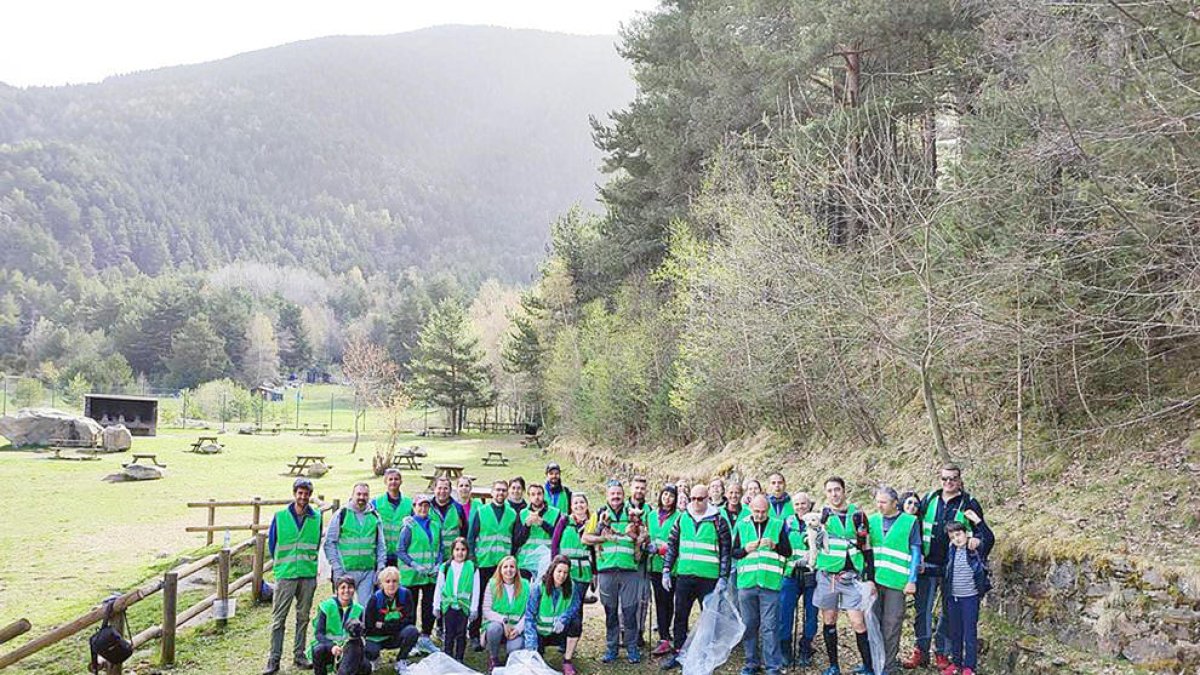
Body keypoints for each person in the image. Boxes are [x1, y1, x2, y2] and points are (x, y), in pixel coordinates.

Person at [904, 464, 986, 671]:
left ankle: (942, 652)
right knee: (923, 610)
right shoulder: (930, 499)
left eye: (953, 479)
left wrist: (975, 546)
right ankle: (920, 650)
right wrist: (916, 554)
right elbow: (913, 525)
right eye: (944, 479)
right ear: (939, 479)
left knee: (949, 612)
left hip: (954, 568)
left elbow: (981, 533)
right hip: (928, 565)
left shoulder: (969, 503)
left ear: (960, 480)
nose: (948, 483)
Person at [660, 484, 732, 670]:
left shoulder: (719, 521)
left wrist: (723, 577)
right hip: (684, 576)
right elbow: (672, 545)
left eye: (700, 498)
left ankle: (705, 654)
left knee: (709, 618)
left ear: (707, 498)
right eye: (693, 498)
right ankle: (679, 654)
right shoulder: (682, 518)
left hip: (709, 578)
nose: (696, 502)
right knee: (680, 616)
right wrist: (667, 569)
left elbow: (726, 550)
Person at [814, 476, 875, 675]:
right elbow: (812, 542)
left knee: (858, 622)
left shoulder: (858, 515)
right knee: (829, 619)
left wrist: (870, 577)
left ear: (844, 491)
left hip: (852, 576)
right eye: (830, 490)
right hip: (828, 576)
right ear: (826, 493)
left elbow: (866, 547)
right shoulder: (822, 516)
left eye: (837, 489)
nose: (834, 494)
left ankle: (868, 666)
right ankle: (834, 666)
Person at [264, 478, 321, 675]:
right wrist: (283, 564)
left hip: (307, 574)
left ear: (310, 496)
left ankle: (299, 655)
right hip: (286, 575)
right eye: (300, 493)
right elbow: (272, 544)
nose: (303, 497)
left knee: (303, 617)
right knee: (279, 619)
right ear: (294, 493)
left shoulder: (317, 518)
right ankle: (274, 658)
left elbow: (316, 544)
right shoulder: (280, 516)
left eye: (306, 493)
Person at [583, 479, 643, 664]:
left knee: (630, 611)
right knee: (610, 612)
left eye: (619, 494)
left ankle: (632, 648)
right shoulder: (599, 514)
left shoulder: (632, 514)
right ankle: (612, 648)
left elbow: (644, 536)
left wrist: (636, 536)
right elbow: (585, 538)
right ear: (607, 496)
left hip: (629, 570)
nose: (616, 497)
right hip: (606, 570)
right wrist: (602, 538)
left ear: (624, 496)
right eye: (612, 494)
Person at [732, 495, 792, 675]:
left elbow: (788, 551)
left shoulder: (778, 524)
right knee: (749, 624)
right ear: (750, 509)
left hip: (769, 583)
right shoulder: (742, 525)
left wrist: (774, 545)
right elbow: (733, 553)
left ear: (768, 510)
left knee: (769, 626)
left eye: (763, 512)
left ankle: (773, 666)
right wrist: (744, 549)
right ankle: (751, 663)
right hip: (747, 583)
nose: (760, 515)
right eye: (756, 511)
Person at [869, 487, 922, 675]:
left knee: (891, 626)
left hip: (897, 583)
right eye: (877, 502)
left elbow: (916, 551)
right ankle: (873, 663)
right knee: (873, 624)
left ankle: (887, 667)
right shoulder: (872, 520)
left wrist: (912, 580)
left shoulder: (910, 522)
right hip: (875, 581)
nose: (879, 506)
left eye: (883, 502)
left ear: (894, 503)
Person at [468, 479, 519, 651]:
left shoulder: (512, 514)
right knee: (480, 597)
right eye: (497, 490)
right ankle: (474, 634)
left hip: (503, 565)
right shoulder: (481, 511)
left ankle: (499, 632)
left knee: (500, 598)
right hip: (484, 562)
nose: (500, 493)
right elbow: (471, 536)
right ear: (491, 492)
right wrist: (472, 558)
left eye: (504, 490)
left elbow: (514, 538)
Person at [942, 515, 993, 675]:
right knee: (955, 632)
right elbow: (944, 571)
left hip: (970, 598)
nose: (956, 539)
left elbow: (989, 538)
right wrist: (925, 569)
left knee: (969, 632)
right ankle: (956, 663)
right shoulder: (951, 551)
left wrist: (978, 521)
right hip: (953, 598)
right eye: (952, 536)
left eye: (958, 534)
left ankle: (969, 667)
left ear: (966, 533)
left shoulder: (975, 549)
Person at [324, 482, 386, 606]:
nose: (361, 497)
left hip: (367, 572)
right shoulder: (342, 514)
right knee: (344, 608)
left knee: (366, 609)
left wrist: (380, 567)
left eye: (365, 495)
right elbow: (329, 542)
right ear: (352, 495)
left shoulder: (374, 516)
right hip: (345, 571)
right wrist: (336, 567)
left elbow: (381, 545)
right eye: (359, 494)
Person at [523, 555, 584, 675]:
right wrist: (531, 643)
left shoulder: (571, 586)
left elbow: (575, 606)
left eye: (565, 572)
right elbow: (529, 616)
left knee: (576, 622)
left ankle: (567, 661)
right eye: (559, 571)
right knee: (536, 664)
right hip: (541, 633)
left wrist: (563, 619)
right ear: (552, 570)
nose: (562, 575)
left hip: (559, 631)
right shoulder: (538, 587)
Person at [397, 493, 441, 653]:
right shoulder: (408, 526)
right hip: (412, 576)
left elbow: (439, 548)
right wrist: (414, 564)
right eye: (420, 505)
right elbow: (400, 551)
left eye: (426, 505)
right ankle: (411, 641)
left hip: (430, 575)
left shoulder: (435, 525)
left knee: (429, 607)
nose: (423, 508)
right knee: (411, 608)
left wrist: (438, 564)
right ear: (414, 507)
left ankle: (426, 638)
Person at [780, 491, 819, 667]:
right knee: (785, 612)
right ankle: (785, 649)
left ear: (809, 504)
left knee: (811, 613)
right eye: (796, 504)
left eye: (803, 504)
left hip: (812, 573)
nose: (800, 507)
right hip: (791, 573)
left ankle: (806, 647)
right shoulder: (787, 523)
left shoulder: (818, 522)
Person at [364, 566, 420, 671]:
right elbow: (369, 625)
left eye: (395, 581)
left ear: (399, 582)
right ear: (382, 583)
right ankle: (374, 658)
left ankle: (401, 660)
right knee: (371, 651)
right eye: (388, 581)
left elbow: (410, 620)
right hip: (378, 637)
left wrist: (384, 625)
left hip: (396, 635)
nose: (391, 584)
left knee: (412, 631)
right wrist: (397, 624)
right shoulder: (375, 599)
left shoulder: (406, 594)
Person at [647, 485, 680, 657]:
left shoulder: (679, 517)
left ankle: (667, 634)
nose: (667, 498)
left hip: (672, 567)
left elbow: (678, 544)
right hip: (654, 566)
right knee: (660, 600)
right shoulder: (651, 515)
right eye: (665, 494)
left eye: (671, 496)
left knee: (668, 600)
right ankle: (664, 636)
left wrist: (661, 549)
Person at [308, 575, 365, 675]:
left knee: (366, 667)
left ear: (354, 590)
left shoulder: (359, 609)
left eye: (350, 587)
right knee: (317, 650)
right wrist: (332, 646)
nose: (346, 590)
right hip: (328, 646)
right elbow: (319, 634)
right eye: (343, 587)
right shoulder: (326, 606)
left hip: (349, 648)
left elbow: (361, 636)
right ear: (336, 590)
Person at [433, 537, 479, 661]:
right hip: (448, 606)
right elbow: (439, 587)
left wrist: (474, 609)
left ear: (467, 551)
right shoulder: (445, 567)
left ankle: (459, 658)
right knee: (449, 634)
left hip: (464, 607)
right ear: (452, 551)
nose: (460, 552)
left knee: (461, 634)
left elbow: (476, 590)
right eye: (457, 549)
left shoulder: (472, 568)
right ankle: (448, 658)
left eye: (463, 549)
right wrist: (436, 606)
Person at [482, 556, 529, 670]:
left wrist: (518, 629)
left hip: (515, 628)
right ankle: (494, 658)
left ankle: (510, 661)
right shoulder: (492, 584)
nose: (509, 570)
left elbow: (529, 612)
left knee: (514, 648)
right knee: (494, 629)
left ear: (517, 569)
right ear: (500, 569)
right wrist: (504, 620)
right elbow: (486, 610)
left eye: (512, 566)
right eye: (505, 567)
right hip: (498, 625)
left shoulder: (526, 585)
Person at [515, 482, 565, 579]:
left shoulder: (555, 513)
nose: (536, 497)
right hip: (525, 562)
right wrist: (527, 526)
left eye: (539, 494)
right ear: (528, 497)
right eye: (533, 494)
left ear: (543, 495)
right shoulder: (522, 513)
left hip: (546, 561)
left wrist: (543, 524)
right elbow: (517, 540)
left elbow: (559, 537)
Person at [553, 492, 594, 587]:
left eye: (582, 502)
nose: (579, 505)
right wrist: (554, 565)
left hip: (584, 573)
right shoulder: (565, 521)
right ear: (571, 507)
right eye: (575, 503)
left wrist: (594, 573)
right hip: (566, 573)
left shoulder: (591, 524)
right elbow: (555, 543)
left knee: (578, 601)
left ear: (587, 505)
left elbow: (593, 551)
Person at [374, 468, 413, 568]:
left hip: (402, 554)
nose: (393, 482)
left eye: (396, 479)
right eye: (390, 479)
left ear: (401, 481)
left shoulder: (409, 503)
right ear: (385, 481)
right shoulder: (376, 503)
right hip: (382, 553)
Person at [431, 476, 468, 561]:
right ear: (434, 489)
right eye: (439, 488)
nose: (442, 491)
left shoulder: (458, 508)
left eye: (446, 488)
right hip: (432, 557)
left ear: (451, 490)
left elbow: (464, 532)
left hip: (453, 556)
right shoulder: (427, 507)